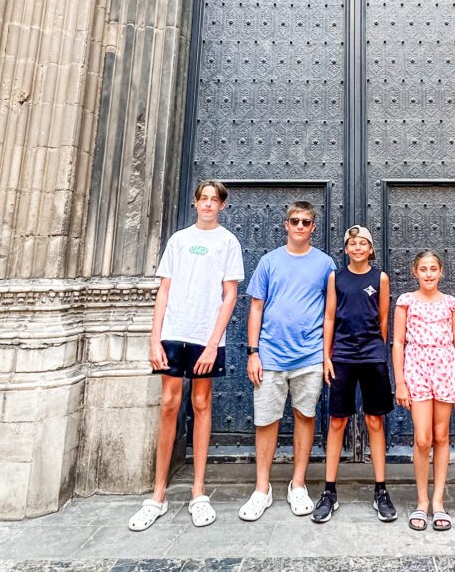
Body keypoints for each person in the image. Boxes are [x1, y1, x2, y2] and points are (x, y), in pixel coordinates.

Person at [128, 179, 244, 531]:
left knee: (202, 403)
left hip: (204, 335)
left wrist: (213, 342)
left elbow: (230, 296)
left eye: (214, 200)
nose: (208, 204)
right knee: (168, 403)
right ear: (195, 203)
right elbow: (164, 290)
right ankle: (157, 495)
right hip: (173, 333)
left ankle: (198, 491)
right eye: (203, 199)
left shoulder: (228, 242)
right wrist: (154, 339)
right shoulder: (179, 240)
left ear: (222, 206)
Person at [239, 201, 336, 522]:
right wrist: (253, 352)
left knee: (304, 417)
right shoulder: (269, 262)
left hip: (309, 356)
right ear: (285, 224)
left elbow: (329, 314)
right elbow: (255, 307)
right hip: (269, 356)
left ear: (313, 227)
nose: (299, 226)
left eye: (306, 222)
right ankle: (262, 488)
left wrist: (325, 356)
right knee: (265, 420)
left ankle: (297, 484)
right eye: (294, 221)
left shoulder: (325, 264)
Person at [312, 225, 396, 524]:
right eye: (352, 243)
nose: (358, 248)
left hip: (372, 356)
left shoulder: (380, 278)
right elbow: (330, 316)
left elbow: (384, 318)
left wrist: (376, 347)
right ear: (346, 249)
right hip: (342, 356)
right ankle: (330, 490)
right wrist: (327, 356)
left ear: (370, 249)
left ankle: (381, 490)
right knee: (337, 421)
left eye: (363, 243)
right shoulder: (337, 277)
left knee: (375, 420)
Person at [392, 250, 455, 531]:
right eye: (423, 269)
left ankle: (438, 502)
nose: (428, 274)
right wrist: (400, 382)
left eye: (433, 269)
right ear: (415, 272)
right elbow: (398, 343)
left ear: (441, 272)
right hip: (417, 367)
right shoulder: (405, 302)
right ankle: (421, 501)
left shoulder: (452, 305)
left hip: (445, 368)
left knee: (441, 435)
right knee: (423, 439)